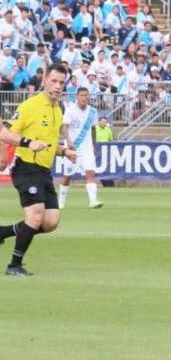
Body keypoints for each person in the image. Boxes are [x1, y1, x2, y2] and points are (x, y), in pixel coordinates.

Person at [0, 64, 77, 277]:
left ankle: (4, 232)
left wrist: (63, 152)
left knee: (51, 222)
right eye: (53, 81)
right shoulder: (29, 106)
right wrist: (27, 143)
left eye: (61, 82)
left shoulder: (58, 109)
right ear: (45, 81)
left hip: (43, 170)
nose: (57, 86)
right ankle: (14, 265)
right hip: (25, 168)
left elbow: (49, 143)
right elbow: (4, 133)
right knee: (35, 217)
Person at [59, 87, 102, 209]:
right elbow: (65, 127)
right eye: (82, 95)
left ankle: (93, 201)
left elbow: (93, 128)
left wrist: (94, 144)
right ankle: (61, 201)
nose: (84, 97)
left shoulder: (92, 111)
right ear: (77, 96)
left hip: (87, 147)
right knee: (67, 176)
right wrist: (68, 141)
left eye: (86, 95)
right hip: (73, 148)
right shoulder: (70, 110)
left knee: (90, 173)